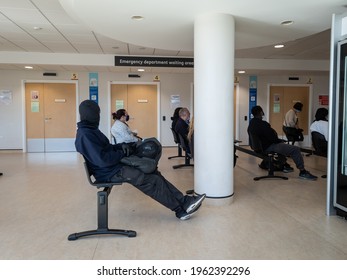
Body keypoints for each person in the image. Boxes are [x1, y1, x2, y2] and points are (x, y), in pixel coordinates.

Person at [75, 100, 206, 220]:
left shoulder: (91, 131)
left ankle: (184, 202)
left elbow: (107, 148)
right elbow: (102, 160)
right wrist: (121, 153)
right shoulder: (85, 135)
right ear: (89, 114)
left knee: (153, 172)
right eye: (96, 113)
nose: (98, 116)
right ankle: (180, 210)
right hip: (109, 172)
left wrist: (122, 146)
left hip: (113, 167)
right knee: (150, 180)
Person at [248, 105, 317, 180]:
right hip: (268, 147)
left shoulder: (251, 124)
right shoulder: (263, 124)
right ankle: (303, 172)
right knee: (295, 149)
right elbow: (272, 138)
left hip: (258, 148)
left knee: (282, 146)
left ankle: (284, 164)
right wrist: (279, 140)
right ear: (261, 112)